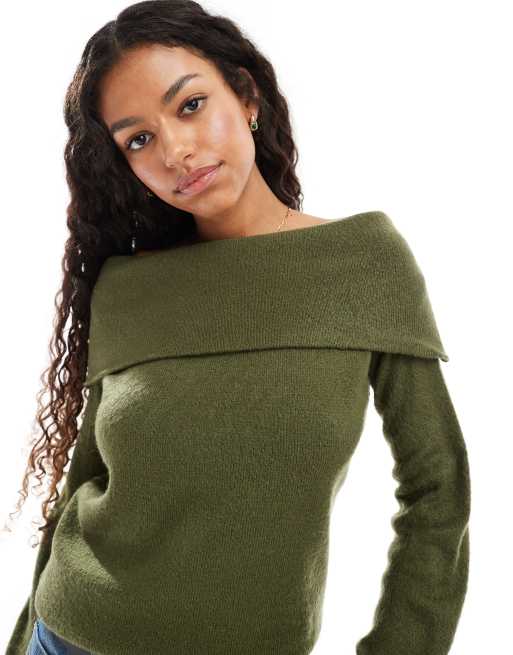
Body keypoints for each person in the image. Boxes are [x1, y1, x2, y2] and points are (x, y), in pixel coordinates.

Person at [5, 1, 471, 654]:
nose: (176, 150)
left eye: (190, 105)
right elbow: (83, 484)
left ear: (247, 96)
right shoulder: (130, 286)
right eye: (138, 139)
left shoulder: (363, 260)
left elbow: (437, 494)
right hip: (70, 635)